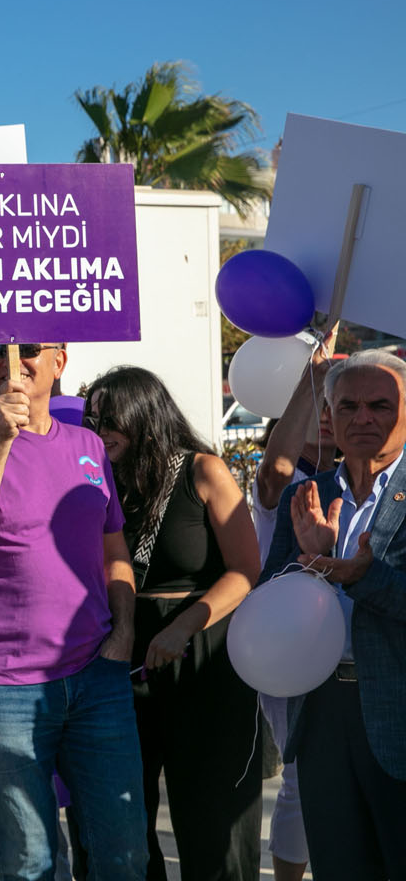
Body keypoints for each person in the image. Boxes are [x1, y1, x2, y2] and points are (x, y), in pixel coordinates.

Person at [0, 342, 147, 881]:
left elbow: (113, 549)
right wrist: (2, 439)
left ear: (59, 361)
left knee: (124, 854)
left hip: (97, 674)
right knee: (29, 862)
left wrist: (124, 631)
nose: (10, 362)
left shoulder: (87, 444)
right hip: (6, 687)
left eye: (27, 349)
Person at [84, 366, 262, 881]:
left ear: (144, 415)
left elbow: (245, 570)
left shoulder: (202, 470)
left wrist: (184, 626)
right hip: (122, 652)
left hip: (203, 651)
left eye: (110, 420)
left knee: (211, 817)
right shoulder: (97, 481)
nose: (99, 432)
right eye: (92, 420)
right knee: (122, 816)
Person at [261, 348, 406, 880]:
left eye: (380, 405)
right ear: (330, 414)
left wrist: (362, 576)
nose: (363, 417)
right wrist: (310, 568)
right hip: (323, 713)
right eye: (348, 406)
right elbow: (267, 601)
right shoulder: (307, 495)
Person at [249, 341, 336, 881]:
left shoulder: (360, 479)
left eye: (336, 406)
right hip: (287, 650)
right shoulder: (282, 485)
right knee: (303, 778)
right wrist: (314, 376)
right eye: (317, 406)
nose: (328, 417)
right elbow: (277, 468)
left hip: (348, 649)